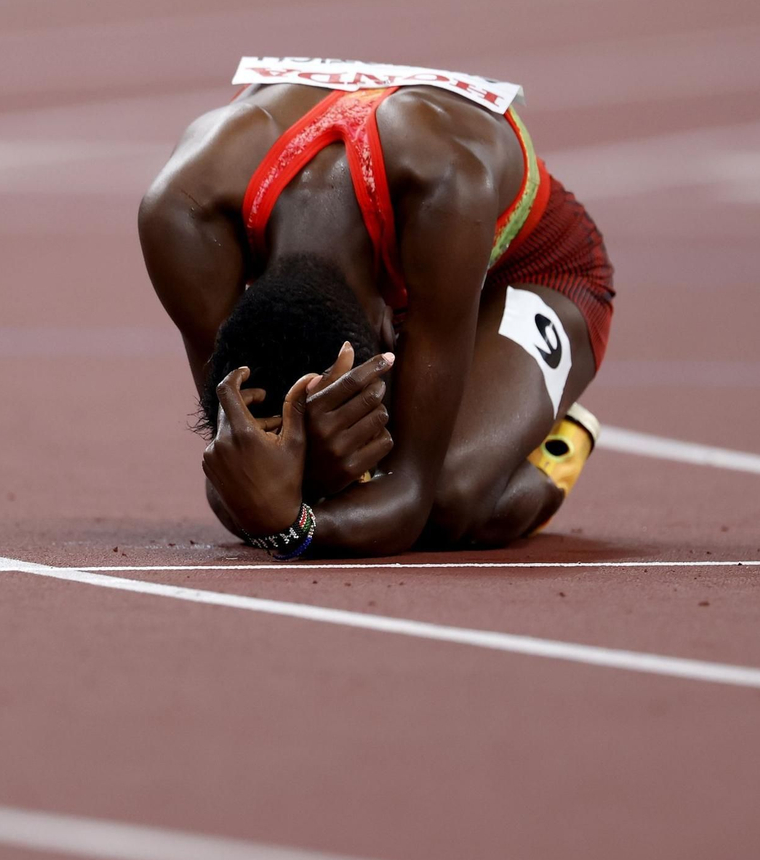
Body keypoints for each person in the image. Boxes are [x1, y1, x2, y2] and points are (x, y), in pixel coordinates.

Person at [138, 58, 615, 558]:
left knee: (452, 498)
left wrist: (292, 524)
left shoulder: (441, 183)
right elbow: (229, 459)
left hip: (534, 270)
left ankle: (549, 441)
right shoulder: (182, 212)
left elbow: (409, 497)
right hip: (423, 266)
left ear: (390, 333)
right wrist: (286, 472)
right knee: (325, 478)